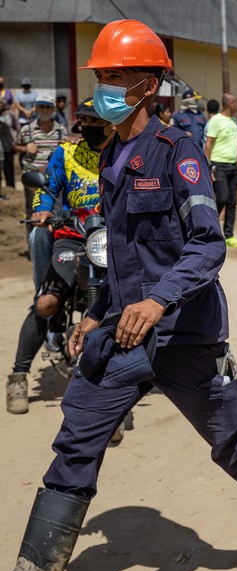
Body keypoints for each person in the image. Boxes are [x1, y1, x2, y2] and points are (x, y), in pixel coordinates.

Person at [7, 20, 237, 571]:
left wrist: (160, 302)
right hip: (123, 332)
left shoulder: (178, 153)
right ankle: (35, 567)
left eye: (115, 76)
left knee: (233, 440)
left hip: (185, 333)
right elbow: (121, 255)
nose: (103, 88)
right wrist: (96, 313)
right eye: (101, 76)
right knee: (76, 440)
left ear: (147, 84)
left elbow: (207, 243)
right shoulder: (111, 160)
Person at [6, 98, 111, 416]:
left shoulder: (124, 153)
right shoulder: (65, 152)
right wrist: (42, 210)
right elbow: (47, 188)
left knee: (144, 298)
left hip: (112, 241)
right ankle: (19, 375)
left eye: (97, 122)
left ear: (112, 123)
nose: (90, 128)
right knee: (47, 303)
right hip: (72, 238)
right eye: (85, 122)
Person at [12, 93, 67, 276]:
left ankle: (50, 248)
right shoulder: (27, 130)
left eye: (47, 107)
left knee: (54, 215)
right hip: (33, 181)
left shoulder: (61, 130)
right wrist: (25, 148)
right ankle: (34, 248)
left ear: (53, 109)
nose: (44, 110)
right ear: (35, 108)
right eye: (41, 107)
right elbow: (15, 145)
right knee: (33, 215)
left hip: (52, 183)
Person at [205, 92, 237, 248]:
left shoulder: (234, 121)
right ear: (230, 104)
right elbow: (208, 144)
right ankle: (210, 230)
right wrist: (208, 167)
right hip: (218, 165)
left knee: (232, 202)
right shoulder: (216, 121)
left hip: (233, 166)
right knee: (221, 198)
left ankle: (229, 235)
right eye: (236, 103)